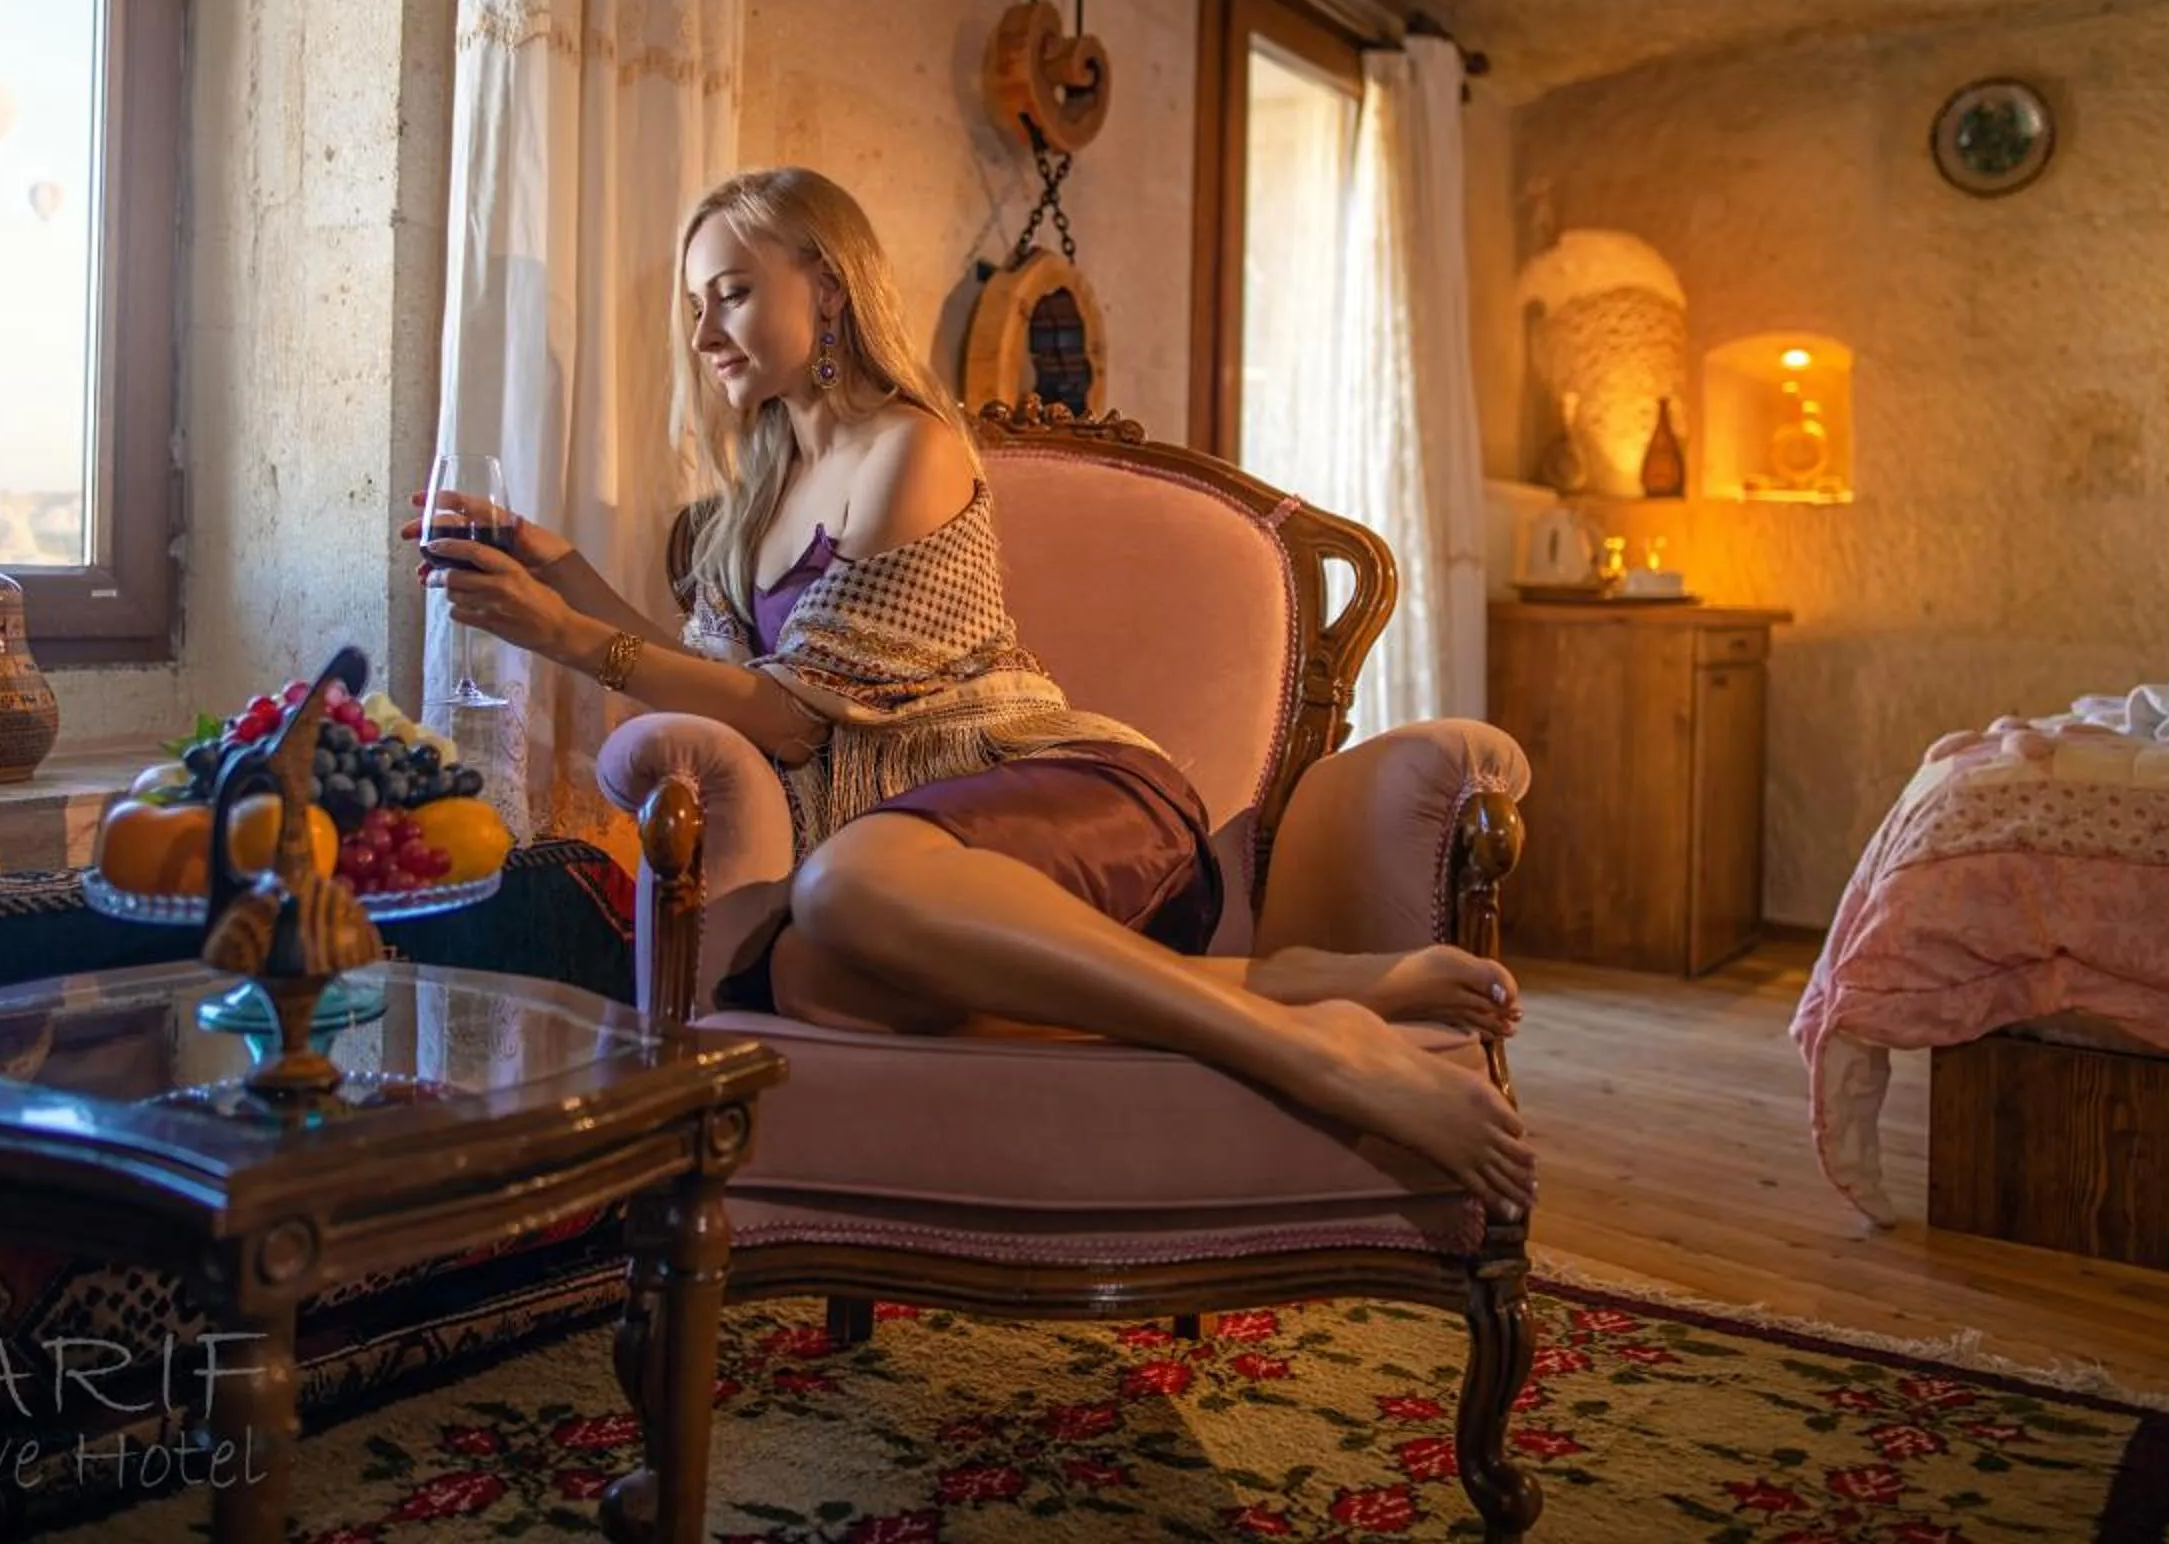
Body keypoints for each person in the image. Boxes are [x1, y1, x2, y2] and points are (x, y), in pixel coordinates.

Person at [408, 167, 1536, 1215]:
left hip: (1067, 798)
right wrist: (563, 576)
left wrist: (564, 636)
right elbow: (718, 685)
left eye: (734, 293)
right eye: (696, 304)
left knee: (845, 885)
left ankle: (1315, 1054)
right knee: (811, 974)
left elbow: (795, 714)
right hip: (918, 874)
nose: (704, 331)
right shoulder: (754, 494)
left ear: (830, 290)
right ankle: (1299, 986)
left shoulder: (911, 445)